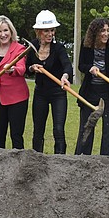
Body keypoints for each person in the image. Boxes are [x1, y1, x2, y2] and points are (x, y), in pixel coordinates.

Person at [75, 18, 109, 157]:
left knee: (107, 127)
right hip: (90, 91)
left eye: (108, 31)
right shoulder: (87, 46)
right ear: (95, 32)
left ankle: (107, 159)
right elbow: (81, 65)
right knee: (87, 126)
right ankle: (82, 157)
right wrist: (90, 68)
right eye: (102, 30)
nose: (106, 34)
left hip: (107, 92)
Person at [26, 10, 73, 154]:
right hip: (40, 93)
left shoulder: (58, 48)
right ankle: (36, 160)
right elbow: (26, 69)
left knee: (58, 130)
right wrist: (32, 67)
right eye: (46, 31)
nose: (50, 34)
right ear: (38, 31)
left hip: (58, 93)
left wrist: (65, 76)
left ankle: (60, 161)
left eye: (52, 30)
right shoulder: (32, 47)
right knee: (38, 129)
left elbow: (67, 65)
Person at [0, 15, 29, 149]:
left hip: (17, 98)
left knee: (16, 135)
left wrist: (12, 69)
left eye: (5, 30)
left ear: (11, 31)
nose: (3, 34)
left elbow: (21, 68)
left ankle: (19, 165)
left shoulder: (19, 49)